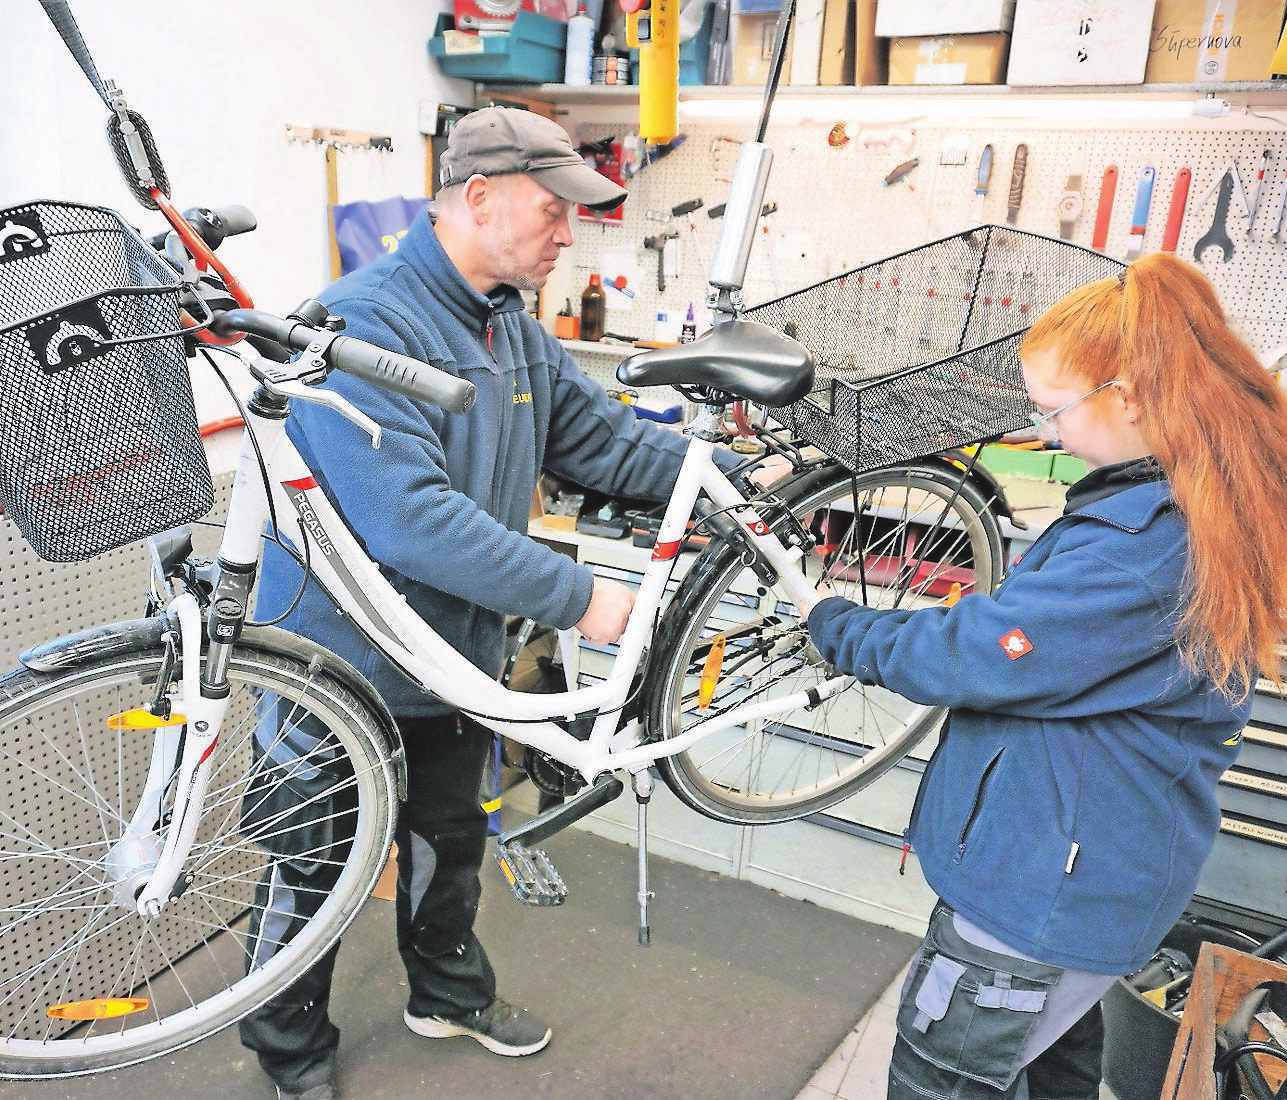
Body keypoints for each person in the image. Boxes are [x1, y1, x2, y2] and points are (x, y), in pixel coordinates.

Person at [239, 106, 740, 1100]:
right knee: (315, 859)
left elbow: (601, 442)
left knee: (449, 838)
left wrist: (724, 478)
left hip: (452, 655)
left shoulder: (509, 323)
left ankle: (446, 991)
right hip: (336, 660)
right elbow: (409, 517)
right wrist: (580, 596)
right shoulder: (355, 321)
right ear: (478, 197)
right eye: (555, 209)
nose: (570, 232)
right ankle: (288, 1045)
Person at [800, 253, 1287, 1099]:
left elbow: (976, 653)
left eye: (1053, 410)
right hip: (1081, 872)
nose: (1046, 432)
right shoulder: (1180, 491)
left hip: (1037, 895)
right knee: (1046, 1070)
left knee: (939, 1083)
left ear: (1127, 398)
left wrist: (836, 626)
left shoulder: (1147, 549)